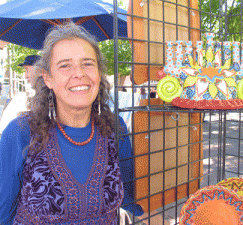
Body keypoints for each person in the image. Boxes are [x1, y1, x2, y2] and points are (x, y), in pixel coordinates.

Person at [0, 22, 143, 224]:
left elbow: (131, 200)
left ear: (99, 74)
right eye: (65, 65)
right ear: (48, 78)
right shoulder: (20, 132)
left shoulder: (115, 127)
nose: (79, 73)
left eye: (87, 63)